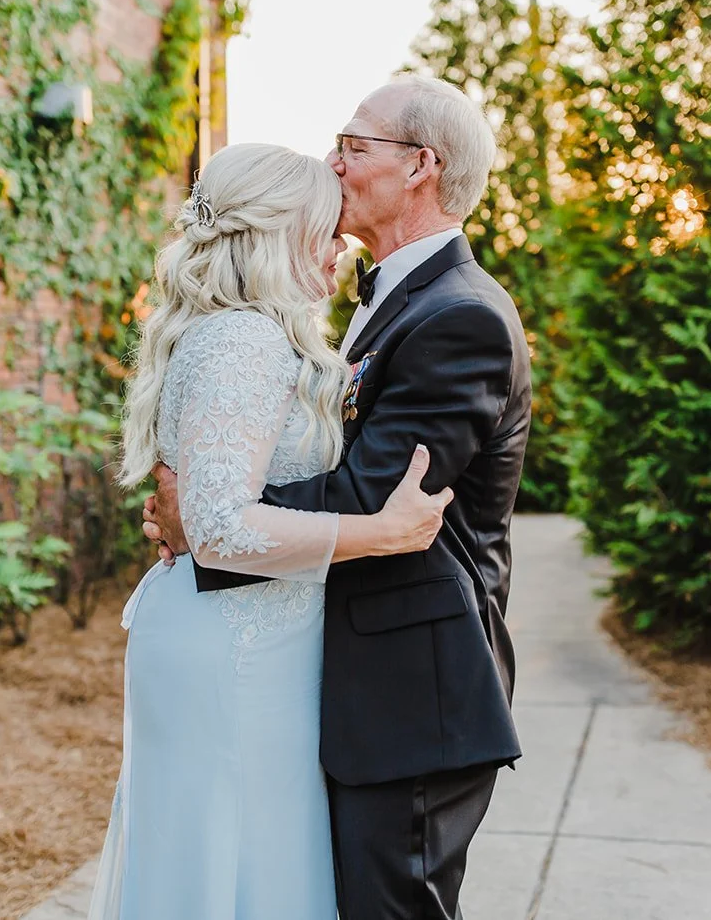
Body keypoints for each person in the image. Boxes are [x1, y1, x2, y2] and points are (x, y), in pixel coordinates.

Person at [145, 75, 533, 920]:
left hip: (413, 686)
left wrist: (208, 513)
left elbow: (372, 493)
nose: (335, 162)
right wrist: (216, 500)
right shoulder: (379, 301)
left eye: (356, 147)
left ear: (420, 165)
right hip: (341, 675)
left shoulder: (459, 316)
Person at [88, 141, 455, 920]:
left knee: (250, 867)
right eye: (325, 232)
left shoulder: (237, 332)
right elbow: (219, 526)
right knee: (235, 866)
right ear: (278, 236)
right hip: (233, 655)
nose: (337, 250)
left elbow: (213, 504)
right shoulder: (245, 339)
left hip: (252, 641)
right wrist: (380, 530)